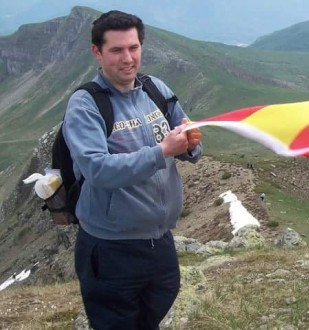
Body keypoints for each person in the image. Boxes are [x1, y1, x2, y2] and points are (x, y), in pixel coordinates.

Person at [63, 10, 202, 329]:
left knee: (154, 313)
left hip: (159, 241)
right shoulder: (86, 105)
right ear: (97, 52)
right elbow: (98, 170)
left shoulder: (156, 89)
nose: (128, 58)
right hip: (110, 248)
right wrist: (163, 151)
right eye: (116, 50)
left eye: (133, 48)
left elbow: (187, 142)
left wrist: (191, 144)